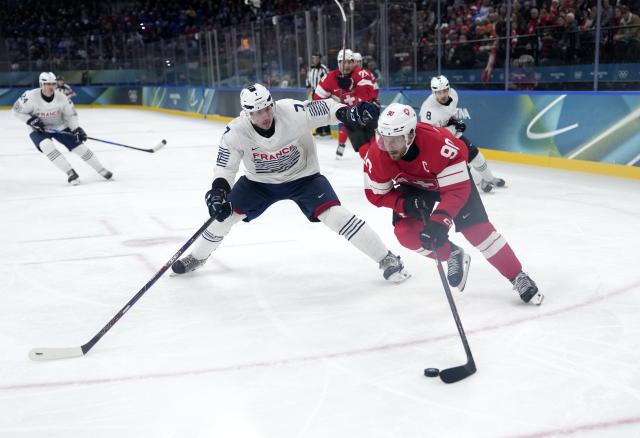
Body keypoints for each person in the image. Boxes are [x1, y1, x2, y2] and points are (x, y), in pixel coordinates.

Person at [171, 83, 410, 283]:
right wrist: (218, 193)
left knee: (336, 215)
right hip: (258, 183)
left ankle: (386, 258)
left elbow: (326, 108)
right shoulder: (235, 132)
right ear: (246, 113)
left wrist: (349, 113)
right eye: (256, 112)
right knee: (222, 217)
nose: (264, 116)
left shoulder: (291, 111)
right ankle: (198, 257)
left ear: (272, 103)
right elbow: (225, 168)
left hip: (304, 178)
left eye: (267, 108)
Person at [359, 103, 542, 305]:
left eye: (394, 140)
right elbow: (376, 194)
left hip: (452, 183)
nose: (387, 146)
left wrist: (440, 222)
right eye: (384, 139)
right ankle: (452, 253)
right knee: (406, 233)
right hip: (414, 187)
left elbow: (456, 191)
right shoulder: (377, 155)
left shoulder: (439, 144)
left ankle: (518, 276)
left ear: (410, 135)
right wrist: (404, 203)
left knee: (478, 231)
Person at [12, 72, 112, 185]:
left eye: (53, 84)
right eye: (47, 84)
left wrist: (76, 129)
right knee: (46, 146)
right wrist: (30, 121)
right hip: (39, 129)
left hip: (59, 126)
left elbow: (70, 115)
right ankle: (70, 173)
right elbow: (16, 111)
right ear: (41, 84)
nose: (50, 87)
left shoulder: (62, 97)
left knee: (80, 148)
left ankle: (101, 169)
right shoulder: (30, 96)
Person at [419, 75, 505, 193]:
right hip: (440, 144)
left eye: (445, 91)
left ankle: (490, 179)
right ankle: (481, 183)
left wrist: (455, 121)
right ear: (433, 92)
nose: (443, 95)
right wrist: (452, 127)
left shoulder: (453, 94)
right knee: (462, 166)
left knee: (476, 155)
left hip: (452, 134)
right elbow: (431, 136)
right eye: (439, 92)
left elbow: (448, 115)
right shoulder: (428, 111)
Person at [313, 49, 379, 159]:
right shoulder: (330, 78)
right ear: (338, 63)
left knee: (376, 146)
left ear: (354, 63)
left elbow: (368, 94)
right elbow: (317, 100)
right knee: (365, 151)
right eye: (343, 62)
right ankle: (370, 166)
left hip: (367, 116)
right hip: (350, 119)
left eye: (350, 62)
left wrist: (351, 85)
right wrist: (334, 105)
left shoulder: (362, 73)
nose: (346, 65)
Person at [306, 52, 330, 137]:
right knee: (316, 111)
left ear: (319, 59)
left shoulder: (324, 69)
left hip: (323, 92)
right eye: (313, 58)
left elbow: (329, 80)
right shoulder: (311, 69)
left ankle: (327, 130)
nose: (314, 60)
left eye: (316, 58)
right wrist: (308, 90)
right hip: (314, 92)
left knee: (324, 110)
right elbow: (308, 81)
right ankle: (319, 129)